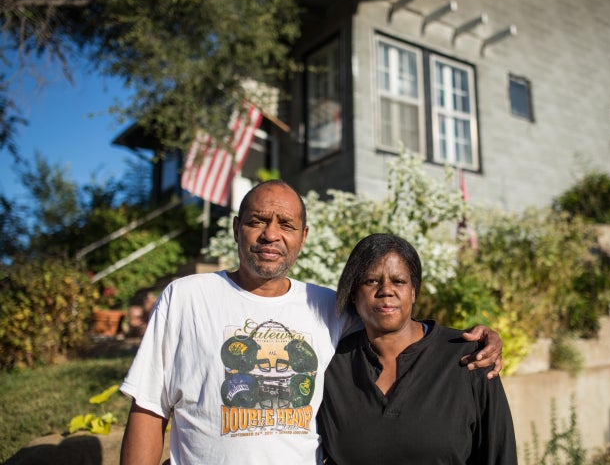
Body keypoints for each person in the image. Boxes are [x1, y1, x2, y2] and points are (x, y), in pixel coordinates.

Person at [119, 179, 504, 465]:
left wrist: (475, 341)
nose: (271, 234)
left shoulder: (326, 306)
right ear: (237, 228)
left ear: (302, 237)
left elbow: (394, 321)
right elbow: (150, 408)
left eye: (285, 225)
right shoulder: (187, 296)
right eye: (258, 221)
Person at [318, 233, 517, 464]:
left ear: (413, 291)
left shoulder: (470, 358)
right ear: (353, 293)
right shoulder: (330, 364)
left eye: (399, 281)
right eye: (371, 281)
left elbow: (499, 454)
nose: (386, 290)